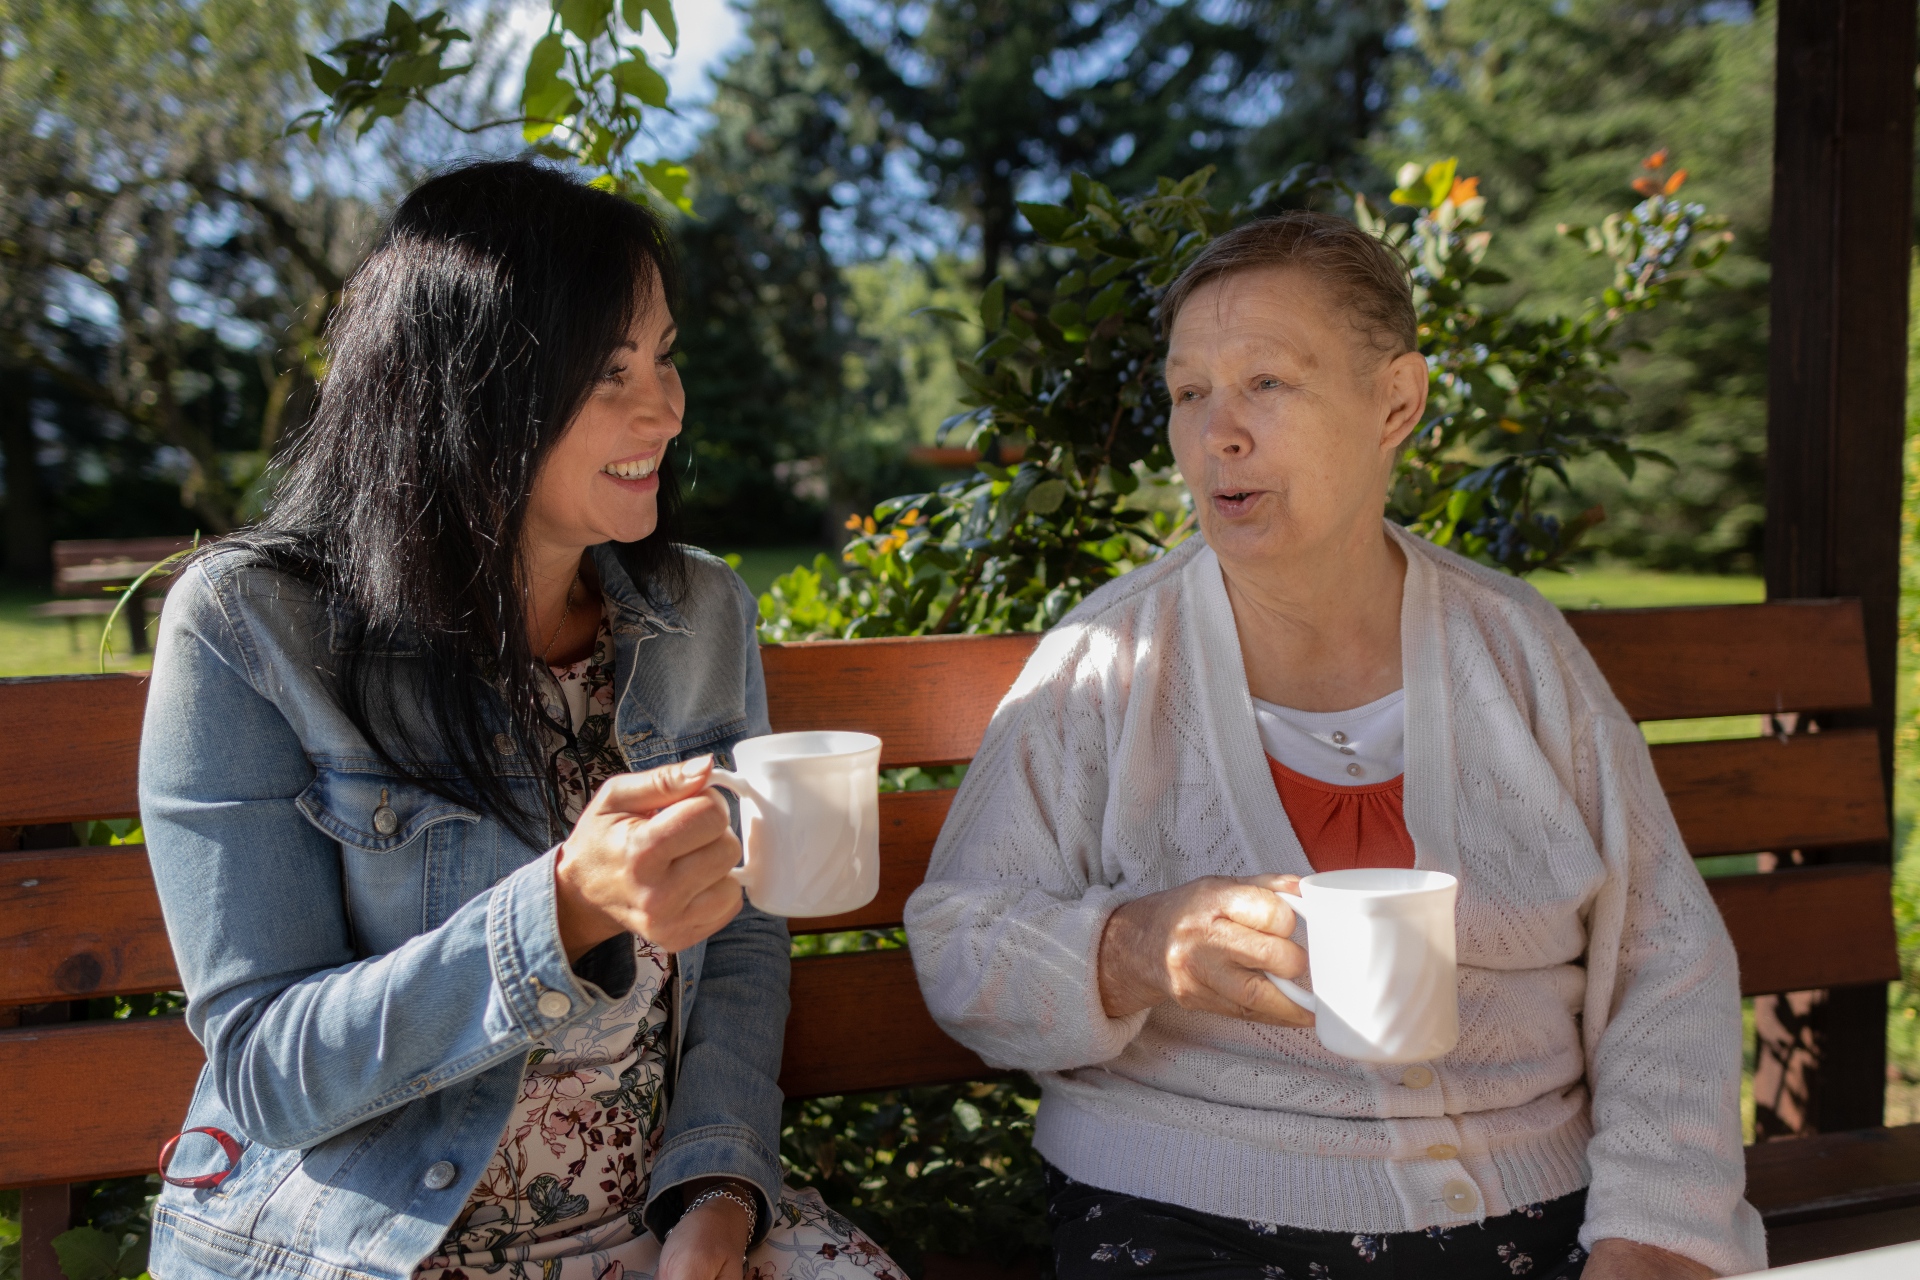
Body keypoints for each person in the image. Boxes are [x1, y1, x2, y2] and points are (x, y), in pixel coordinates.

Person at [904, 212, 1765, 1280]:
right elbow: (958, 938)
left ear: (1395, 400)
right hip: (1191, 1212)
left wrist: (1655, 1235)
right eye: (1188, 392)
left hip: (1546, 1208)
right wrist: (1130, 948)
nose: (1217, 431)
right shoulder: (1106, 659)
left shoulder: (1518, 650)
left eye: (1265, 382)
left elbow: (1665, 959)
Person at [139, 159, 901, 1280]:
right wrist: (561, 906)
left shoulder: (698, 610)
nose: (666, 407)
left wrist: (719, 1197)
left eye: (665, 356)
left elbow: (740, 935)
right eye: (608, 371)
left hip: (657, 1206)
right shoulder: (252, 625)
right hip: (376, 1238)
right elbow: (266, 1067)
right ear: (469, 389)